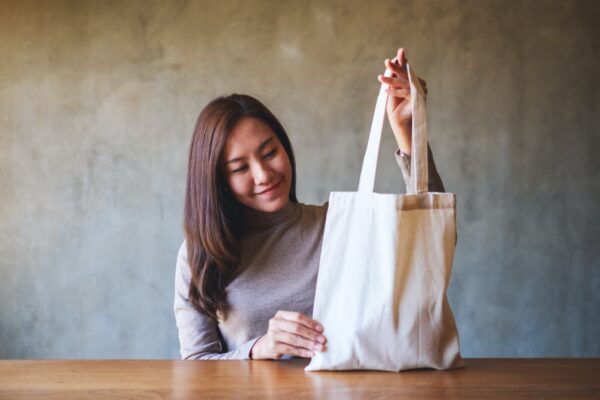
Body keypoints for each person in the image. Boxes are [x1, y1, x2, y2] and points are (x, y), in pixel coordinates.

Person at [174, 48, 445, 360]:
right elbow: (197, 366)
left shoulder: (339, 224)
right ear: (218, 180)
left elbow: (431, 239)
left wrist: (410, 133)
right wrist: (257, 349)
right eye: (240, 168)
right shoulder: (200, 257)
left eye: (269, 153)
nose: (263, 175)